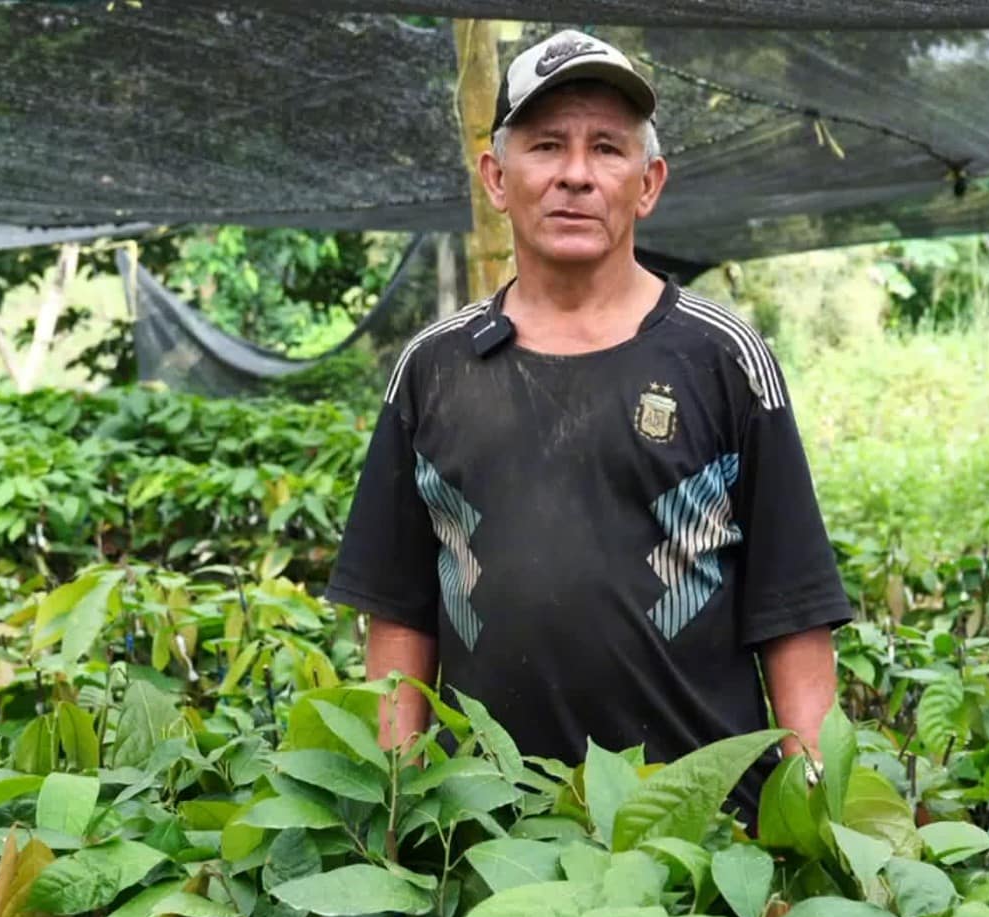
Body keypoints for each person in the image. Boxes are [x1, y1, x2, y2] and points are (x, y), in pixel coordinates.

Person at [322, 28, 851, 823]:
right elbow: (398, 620)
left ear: (648, 183)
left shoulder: (723, 359)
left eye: (607, 148)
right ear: (497, 178)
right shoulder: (433, 370)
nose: (575, 174)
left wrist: (809, 823)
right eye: (546, 146)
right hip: (487, 837)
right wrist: (397, 816)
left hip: (697, 838)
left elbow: (795, 616)